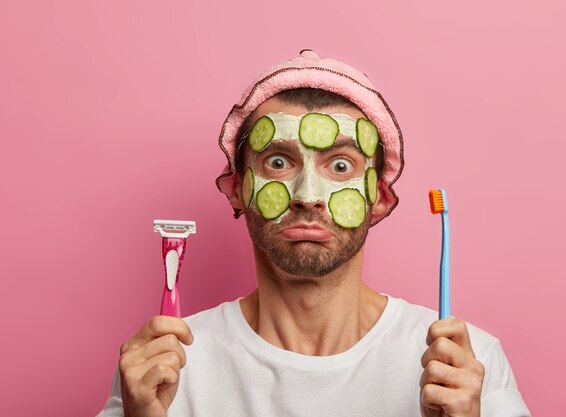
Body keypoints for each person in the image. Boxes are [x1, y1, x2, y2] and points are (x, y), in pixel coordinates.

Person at [96, 49, 531, 417]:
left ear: (379, 196)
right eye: (278, 163)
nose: (308, 196)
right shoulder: (160, 368)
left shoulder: (468, 367)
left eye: (340, 166)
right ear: (235, 189)